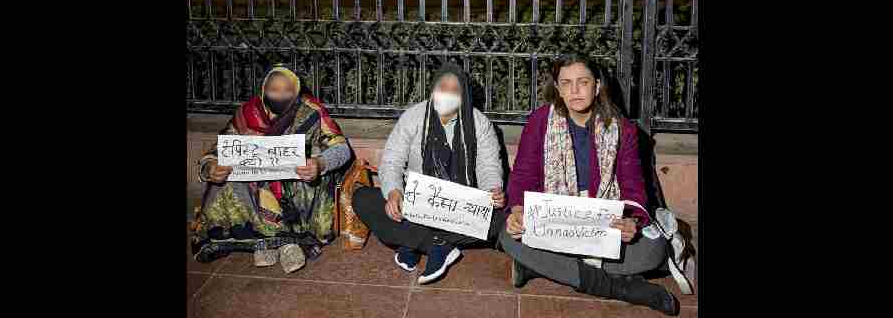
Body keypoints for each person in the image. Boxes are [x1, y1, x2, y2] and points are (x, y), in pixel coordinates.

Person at [498, 55, 678, 315]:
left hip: (602, 218)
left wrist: (632, 222)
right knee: (508, 236)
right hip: (557, 218)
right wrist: (517, 211)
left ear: (597, 85)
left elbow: (633, 186)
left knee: (654, 250)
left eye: (582, 82)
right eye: (566, 83)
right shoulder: (540, 121)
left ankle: (542, 266)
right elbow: (523, 176)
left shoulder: (622, 129)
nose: (574, 90)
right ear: (557, 88)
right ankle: (621, 288)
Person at [352, 62, 507, 284]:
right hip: (417, 203)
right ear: (433, 89)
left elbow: (488, 165)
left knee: (501, 219)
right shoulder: (413, 117)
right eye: (443, 87)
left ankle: (413, 242)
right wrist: (394, 192)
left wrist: (492, 190)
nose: (448, 94)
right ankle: (439, 245)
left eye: (455, 90)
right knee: (363, 199)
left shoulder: (479, 123)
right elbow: (392, 160)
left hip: (459, 206)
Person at [191, 65, 351, 273]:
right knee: (226, 181)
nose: (281, 95)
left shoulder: (311, 113)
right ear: (263, 90)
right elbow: (220, 150)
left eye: (287, 91)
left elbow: (341, 148)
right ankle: (263, 241)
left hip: (299, 182)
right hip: (255, 182)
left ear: (297, 91)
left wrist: (320, 164)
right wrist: (210, 167)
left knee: (298, 183)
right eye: (274, 90)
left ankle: (288, 241)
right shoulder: (247, 113)